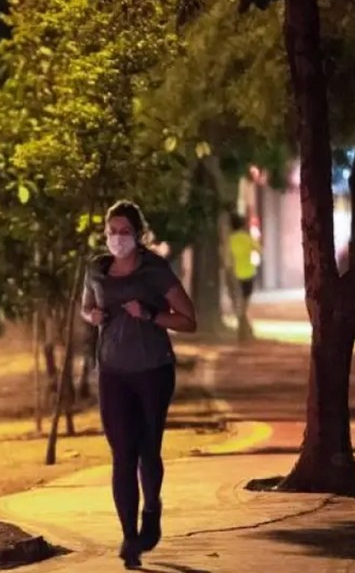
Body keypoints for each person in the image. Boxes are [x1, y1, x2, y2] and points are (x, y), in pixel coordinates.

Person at [81, 200, 198, 569]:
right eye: (112, 231)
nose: (118, 238)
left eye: (125, 231)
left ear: (138, 235)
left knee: (148, 451)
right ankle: (129, 538)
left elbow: (189, 319)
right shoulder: (96, 270)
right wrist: (92, 315)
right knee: (122, 455)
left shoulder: (154, 271)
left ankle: (152, 510)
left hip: (153, 371)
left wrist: (149, 313)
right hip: (112, 373)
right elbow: (86, 308)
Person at [227, 214, 259, 341]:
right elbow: (259, 249)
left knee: (241, 304)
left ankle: (244, 329)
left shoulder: (229, 240)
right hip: (248, 273)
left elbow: (227, 257)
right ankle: (245, 329)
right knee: (244, 303)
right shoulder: (247, 237)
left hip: (235, 274)